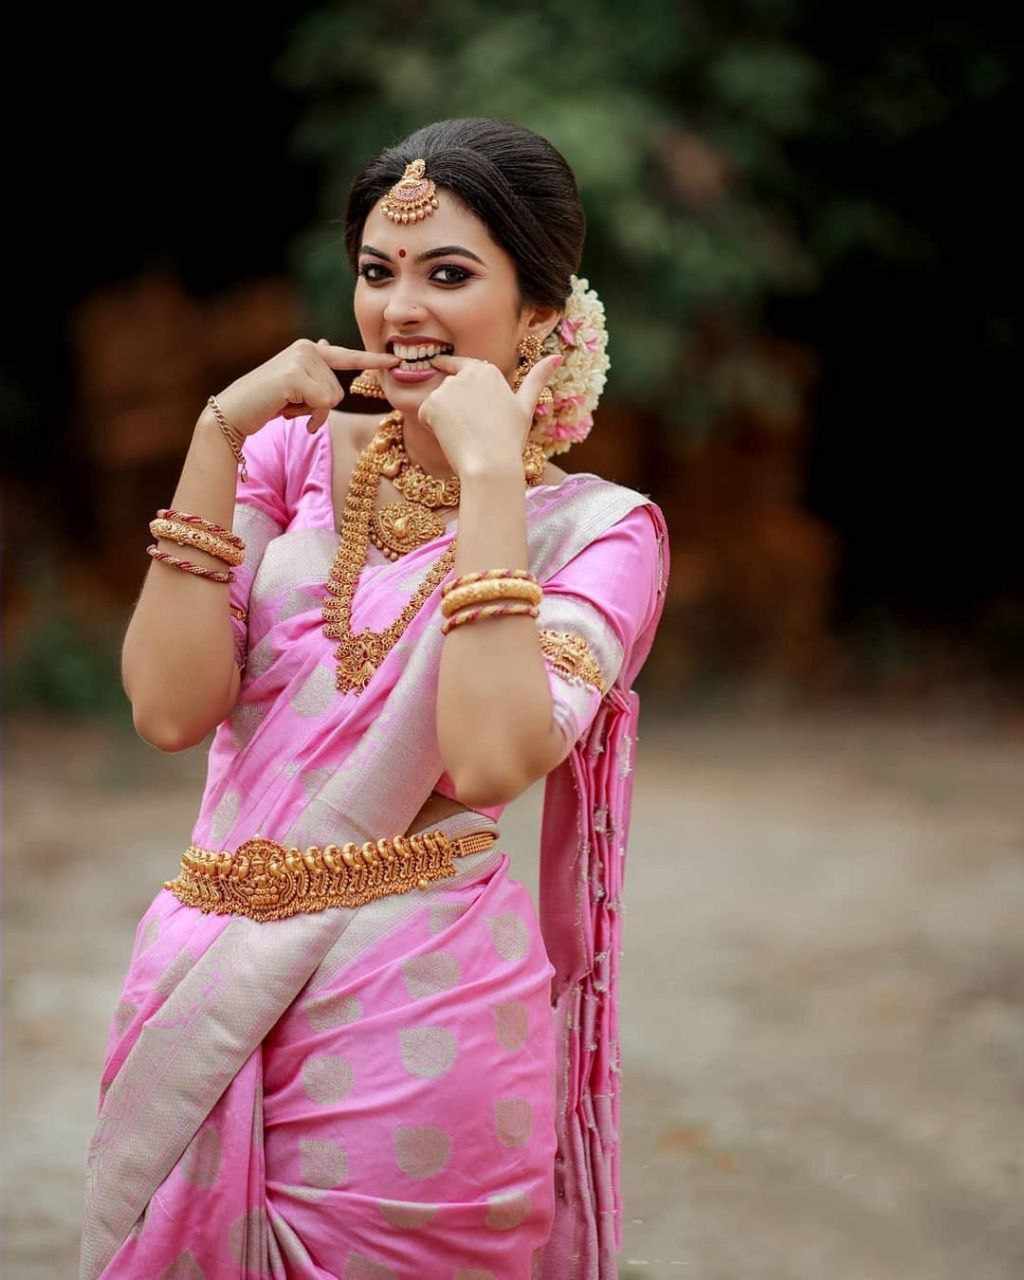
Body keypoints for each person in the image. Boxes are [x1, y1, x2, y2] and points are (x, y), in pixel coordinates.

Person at [79, 117, 671, 1280]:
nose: (401, 308)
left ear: (539, 314)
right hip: (203, 982)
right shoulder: (292, 461)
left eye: (447, 275)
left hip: (420, 1024)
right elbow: (168, 708)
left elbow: (490, 758)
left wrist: (491, 473)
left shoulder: (601, 533)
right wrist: (217, 431)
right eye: (376, 270)